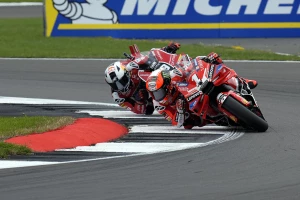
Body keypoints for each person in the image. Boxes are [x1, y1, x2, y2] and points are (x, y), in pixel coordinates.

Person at [104, 42, 181, 115]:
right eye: (115, 85)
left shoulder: (125, 66)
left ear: (126, 73)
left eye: (122, 81)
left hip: (150, 76)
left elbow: (146, 56)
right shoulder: (118, 97)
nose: (120, 86)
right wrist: (140, 101)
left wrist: (166, 49)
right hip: (151, 95)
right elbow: (141, 111)